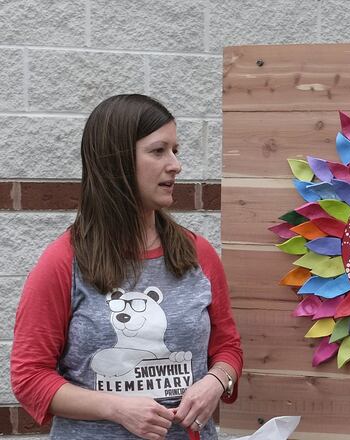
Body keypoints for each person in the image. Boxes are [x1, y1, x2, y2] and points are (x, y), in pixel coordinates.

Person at [11, 94, 244, 440]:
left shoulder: (198, 254)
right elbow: (29, 377)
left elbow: (228, 348)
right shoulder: (63, 262)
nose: (176, 165)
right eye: (158, 151)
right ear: (116, 161)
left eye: (175, 150)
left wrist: (215, 381)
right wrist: (116, 408)